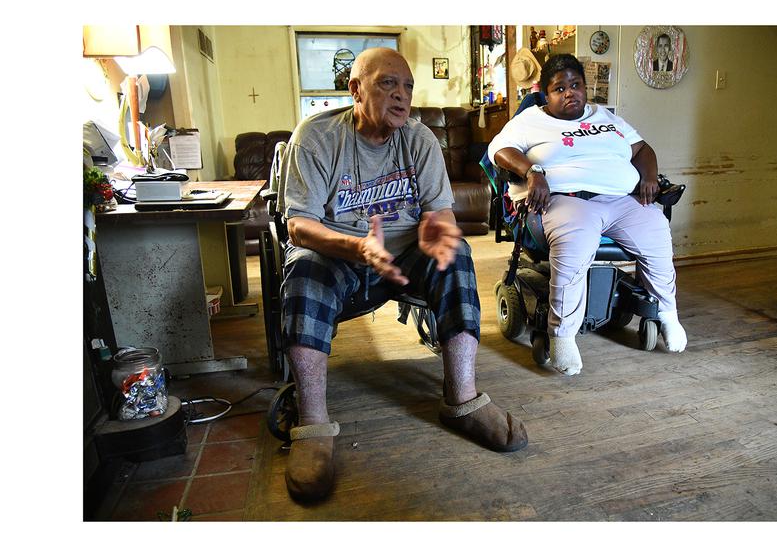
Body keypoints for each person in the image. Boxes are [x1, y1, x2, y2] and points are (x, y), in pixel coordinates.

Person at [277, 47, 528, 503]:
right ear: (355, 89)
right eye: (387, 84)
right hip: (339, 253)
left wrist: (439, 231)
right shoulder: (315, 137)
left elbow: (442, 215)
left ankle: (463, 399)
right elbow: (298, 226)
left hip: (405, 255)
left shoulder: (419, 140)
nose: (401, 96)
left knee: (457, 257)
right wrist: (355, 246)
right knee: (304, 271)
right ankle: (311, 424)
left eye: (408, 86)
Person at [488, 53, 688, 376]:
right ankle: (562, 335)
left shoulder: (605, 117)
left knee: (656, 228)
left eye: (576, 85)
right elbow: (500, 150)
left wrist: (649, 177)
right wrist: (532, 170)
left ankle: (667, 312)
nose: (570, 93)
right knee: (576, 239)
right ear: (546, 94)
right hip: (565, 200)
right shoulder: (531, 120)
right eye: (559, 88)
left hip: (619, 200)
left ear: (585, 87)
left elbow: (642, 149)